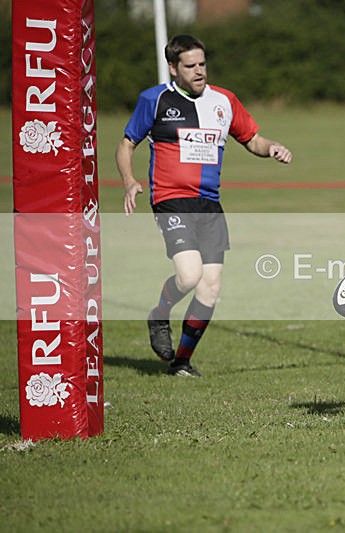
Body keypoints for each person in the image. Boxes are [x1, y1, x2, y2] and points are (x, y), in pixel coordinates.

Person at [115, 34, 293, 377]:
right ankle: (159, 314)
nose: (199, 71)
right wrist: (128, 181)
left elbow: (252, 139)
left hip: (209, 205)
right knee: (190, 275)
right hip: (171, 200)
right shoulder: (154, 100)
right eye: (190, 66)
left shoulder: (224, 100)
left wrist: (271, 147)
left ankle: (181, 361)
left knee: (210, 287)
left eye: (202, 64)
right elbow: (126, 144)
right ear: (173, 67)